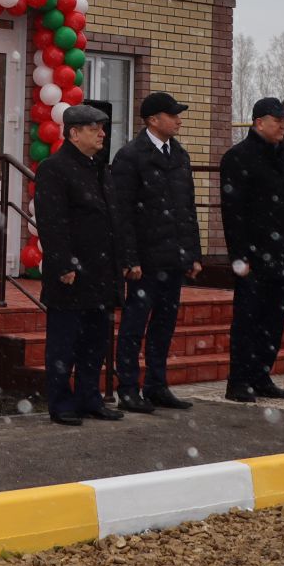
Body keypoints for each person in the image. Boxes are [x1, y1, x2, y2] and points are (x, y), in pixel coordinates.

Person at [108, 91, 203, 414]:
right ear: (152, 120)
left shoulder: (180, 155)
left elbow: (186, 209)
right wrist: (129, 259)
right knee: (134, 326)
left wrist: (192, 254)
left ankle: (157, 386)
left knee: (164, 325)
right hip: (145, 261)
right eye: (172, 114)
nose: (178, 119)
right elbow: (122, 214)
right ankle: (129, 388)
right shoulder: (130, 156)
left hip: (173, 259)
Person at [34, 104, 126, 425]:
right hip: (72, 275)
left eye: (102, 128)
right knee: (64, 344)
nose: (102, 134)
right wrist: (63, 265)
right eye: (94, 128)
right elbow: (51, 221)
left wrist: (121, 262)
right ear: (73, 133)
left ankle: (90, 398)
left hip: (101, 273)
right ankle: (61, 404)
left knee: (95, 343)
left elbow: (112, 219)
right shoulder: (54, 168)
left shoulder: (99, 168)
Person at [218, 97, 284, 404]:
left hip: (280, 255)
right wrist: (239, 257)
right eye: (278, 119)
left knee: (273, 321)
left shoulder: (281, 156)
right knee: (248, 320)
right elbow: (233, 212)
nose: (283, 125)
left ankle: (261, 375)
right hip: (253, 257)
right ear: (259, 123)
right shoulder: (238, 157)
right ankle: (239, 381)